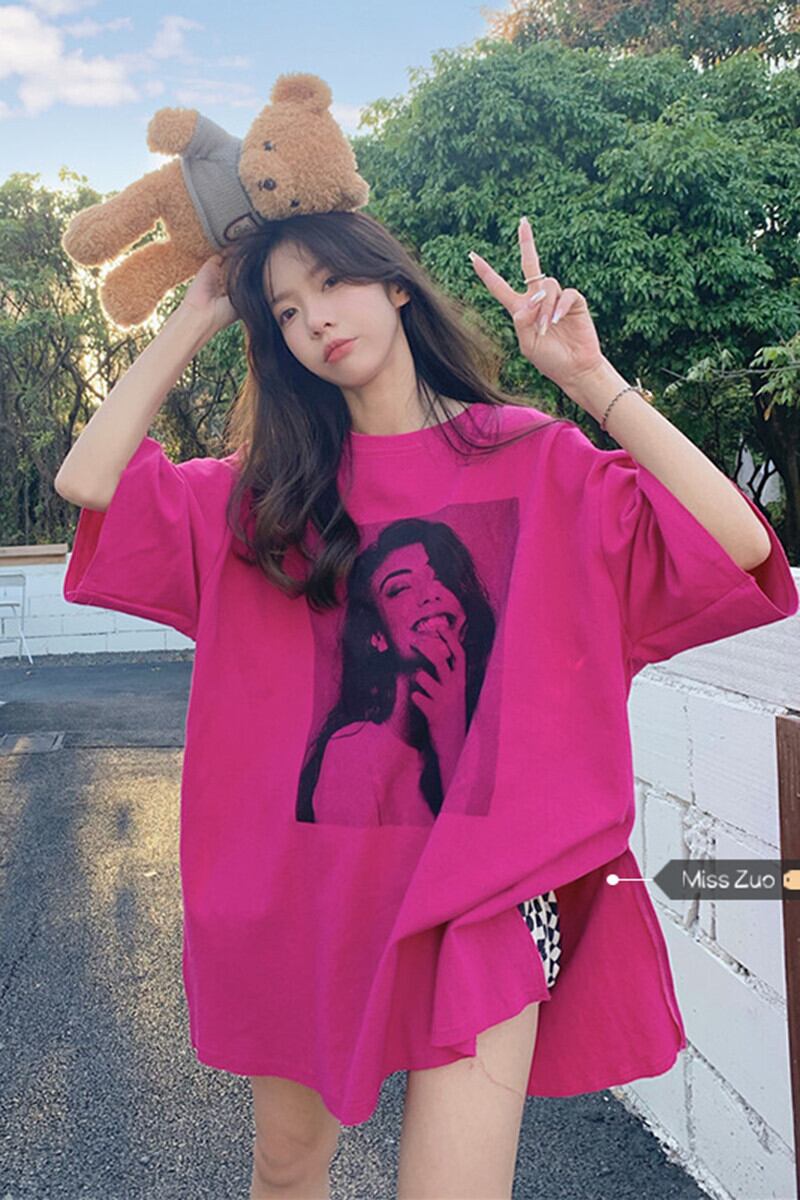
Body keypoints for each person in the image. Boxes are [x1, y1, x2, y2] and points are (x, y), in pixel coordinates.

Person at [55, 209, 797, 1200]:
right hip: (309, 896)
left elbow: (738, 546)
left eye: (331, 283)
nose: (315, 320)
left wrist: (590, 381)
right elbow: (87, 480)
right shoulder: (265, 500)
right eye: (285, 310)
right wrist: (197, 313)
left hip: (485, 897)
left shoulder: (533, 459)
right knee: (287, 1169)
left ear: (395, 283)